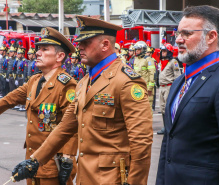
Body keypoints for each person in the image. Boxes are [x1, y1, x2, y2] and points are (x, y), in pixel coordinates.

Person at [12, 15, 153, 185]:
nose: (79, 47)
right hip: (85, 177)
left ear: (105, 45)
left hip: (112, 179)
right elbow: (64, 128)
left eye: (86, 42)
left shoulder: (126, 82)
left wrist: (135, 182)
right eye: (80, 42)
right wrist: (35, 161)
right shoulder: (84, 82)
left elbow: (141, 142)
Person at [156, 5, 219, 185]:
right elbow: (168, 144)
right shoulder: (180, 81)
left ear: (211, 37)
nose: (178, 40)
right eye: (178, 33)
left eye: (186, 34)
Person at [0, 27, 78, 185]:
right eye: (38, 49)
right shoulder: (34, 81)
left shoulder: (66, 85)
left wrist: (68, 159)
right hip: (31, 162)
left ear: (60, 56)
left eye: (44, 49)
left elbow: (73, 124)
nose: (37, 53)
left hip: (53, 165)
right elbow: (7, 101)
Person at [157, 43, 181, 135]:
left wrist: (175, 89)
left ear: (169, 52)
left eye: (165, 51)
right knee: (162, 108)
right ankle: (165, 127)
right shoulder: (162, 62)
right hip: (162, 87)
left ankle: (170, 127)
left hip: (169, 86)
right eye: (162, 51)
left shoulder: (173, 62)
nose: (163, 53)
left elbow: (177, 77)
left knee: (168, 108)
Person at [133, 41, 156, 113]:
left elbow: (152, 74)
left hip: (146, 88)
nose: (137, 51)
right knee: (138, 110)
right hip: (137, 88)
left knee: (147, 110)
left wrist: (150, 88)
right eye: (136, 49)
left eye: (138, 49)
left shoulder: (148, 59)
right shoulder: (136, 59)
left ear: (143, 50)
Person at [16, 47, 28, 111]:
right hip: (19, 77)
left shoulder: (25, 61)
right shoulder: (18, 60)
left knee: (23, 93)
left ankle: (23, 105)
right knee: (19, 92)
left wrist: (24, 80)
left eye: (19, 54)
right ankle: (19, 104)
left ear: (22, 54)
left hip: (22, 77)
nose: (17, 55)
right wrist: (16, 79)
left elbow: (25, 71)